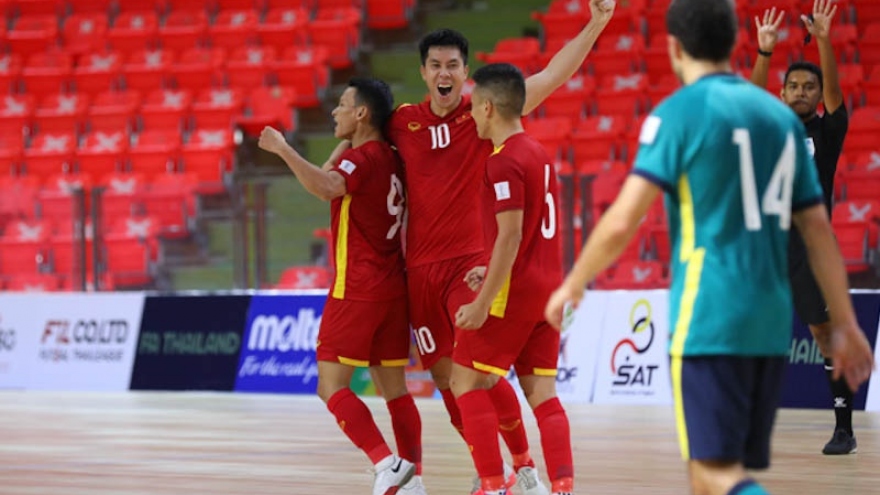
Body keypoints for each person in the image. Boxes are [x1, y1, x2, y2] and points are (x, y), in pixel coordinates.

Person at [544, 1, 874, 494]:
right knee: (713, 475)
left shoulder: (680, 112)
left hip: (713, 310)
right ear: (735, 44)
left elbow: (621, 220)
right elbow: (821, 230)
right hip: (764, 314)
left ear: (674, 47)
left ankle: (838, 429)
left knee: (714, 473)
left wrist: (573, 281)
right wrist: (848, 321)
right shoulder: (778, 124)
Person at [385, 1, 615, 491]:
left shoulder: (486, 111)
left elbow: (554, 73)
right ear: (424, 73)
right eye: (436, 65)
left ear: (465, 72)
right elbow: (359, 140)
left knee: (477, 378)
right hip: (421, 271)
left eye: (453, 65)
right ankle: (518, 473)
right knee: (451, 385)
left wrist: (594, 23)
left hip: (474, 265)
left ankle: (516, 469)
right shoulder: (402, 122)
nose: (444, 73)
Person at [258, 78, 424, 495]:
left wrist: (282, 149)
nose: (335, 111)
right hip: (392, 288)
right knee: (395, 391)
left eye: (343, 106)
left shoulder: (362, 160)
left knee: (329, 385)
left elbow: (327, 185)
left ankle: (386, 464)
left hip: (357, 287)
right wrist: (345, 141)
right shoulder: (388, 156)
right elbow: (334, 172)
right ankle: (413, 480)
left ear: (362, 113)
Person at [450, 63, 573, 495]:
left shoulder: (502, 161)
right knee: (543, 393)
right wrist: (494, 267)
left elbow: (512, 232)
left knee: (464, 380)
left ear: (487, 107)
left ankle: (490, 485)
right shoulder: (537, 152)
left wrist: (484, 298)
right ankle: (561, 487)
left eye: (472, 107)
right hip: (548, 288)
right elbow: (531, 234)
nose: (470, 115)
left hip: (514, 292)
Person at [751, 0, 854, 455]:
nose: (800, 92)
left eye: (808, 87)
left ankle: (844, 429)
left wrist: (827, 40)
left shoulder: (826, 135)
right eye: (792, 86)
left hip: (809, 253)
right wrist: (765, 53)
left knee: (823, 337)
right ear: (782, 94)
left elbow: (835, 94)